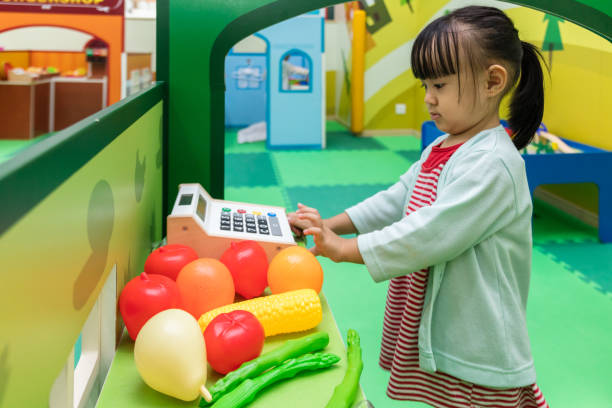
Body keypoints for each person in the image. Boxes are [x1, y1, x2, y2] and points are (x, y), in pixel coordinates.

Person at [289, 6, 549, 408]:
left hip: (478, 343)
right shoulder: (444, 146)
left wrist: (343, 250)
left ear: (492, 81)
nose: (428, 98)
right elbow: (398, 199)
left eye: (440, 85)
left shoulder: (494, 164)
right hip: (446, 325)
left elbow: (430, 232)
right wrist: (331, 225)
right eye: (426, 85)